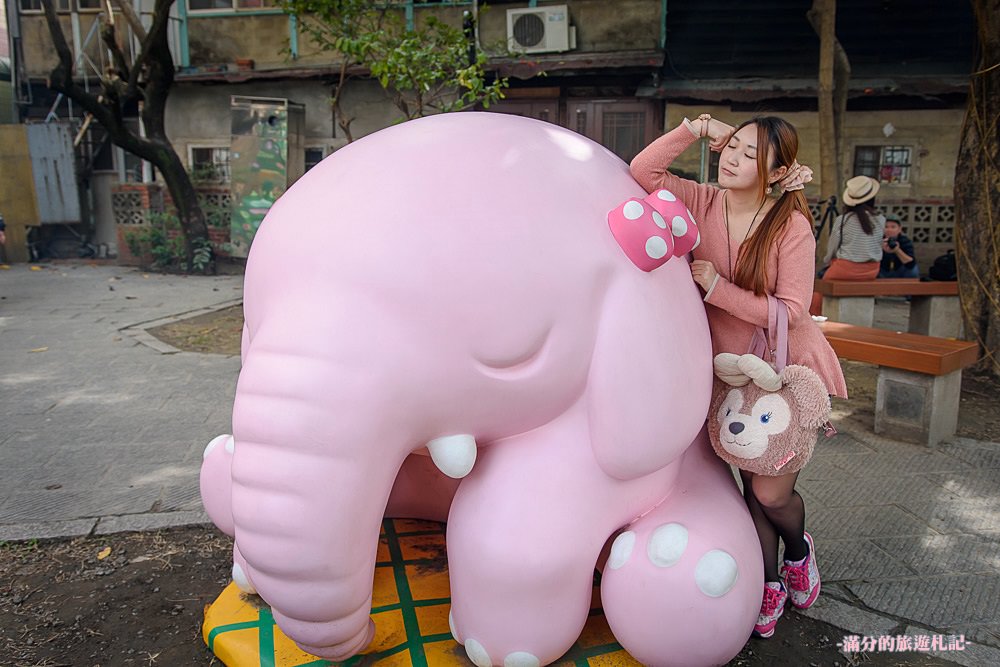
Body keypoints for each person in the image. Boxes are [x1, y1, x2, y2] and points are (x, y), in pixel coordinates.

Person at [631, 114, 847, 639]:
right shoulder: (702, 200)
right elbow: (644, 170)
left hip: (780, 369)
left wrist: (717, 288)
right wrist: (694, 129)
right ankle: (767, 583)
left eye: (750, 154)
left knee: (772, 493)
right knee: (748, 485)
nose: (732, 158)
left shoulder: (789, 225)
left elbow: (794, 310)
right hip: (724, 371)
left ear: (776, 172)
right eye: (733, 147)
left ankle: (798, 552)